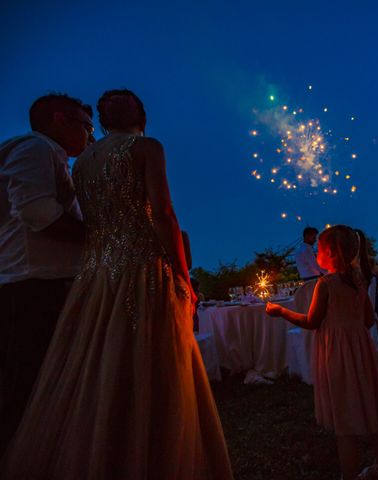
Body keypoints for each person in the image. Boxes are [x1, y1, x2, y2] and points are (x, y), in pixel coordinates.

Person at [1, 89, 234, 479]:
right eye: (83, 124)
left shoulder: (81, 164)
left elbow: (95, 216)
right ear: (141, 116)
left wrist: (107, 245)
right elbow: (161, 212)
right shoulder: (142, 147)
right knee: (147, 360)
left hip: (94, 275)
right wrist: (181, 273)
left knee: (95, 368)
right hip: (130, 268)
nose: (88, 132)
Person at [0, 93, 93, 455]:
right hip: (32, 288)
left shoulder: (45, 154)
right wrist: (104, 238)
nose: (89, 137)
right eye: (86, 127)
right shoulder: (34, 148)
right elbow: (39, 214)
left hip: (37, 283)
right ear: (59, 119)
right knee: (27, 384)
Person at [266, 225, 378, 480]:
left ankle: (349, 474)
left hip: (338, 356)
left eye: (321, 249)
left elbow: (312, 322)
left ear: (331, 253)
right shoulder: (358, 281)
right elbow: (370, 320)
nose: (316, 253)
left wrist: (281, 312)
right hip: (363, 353)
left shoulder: (325, 284)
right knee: (374, 408)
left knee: (345, 420)